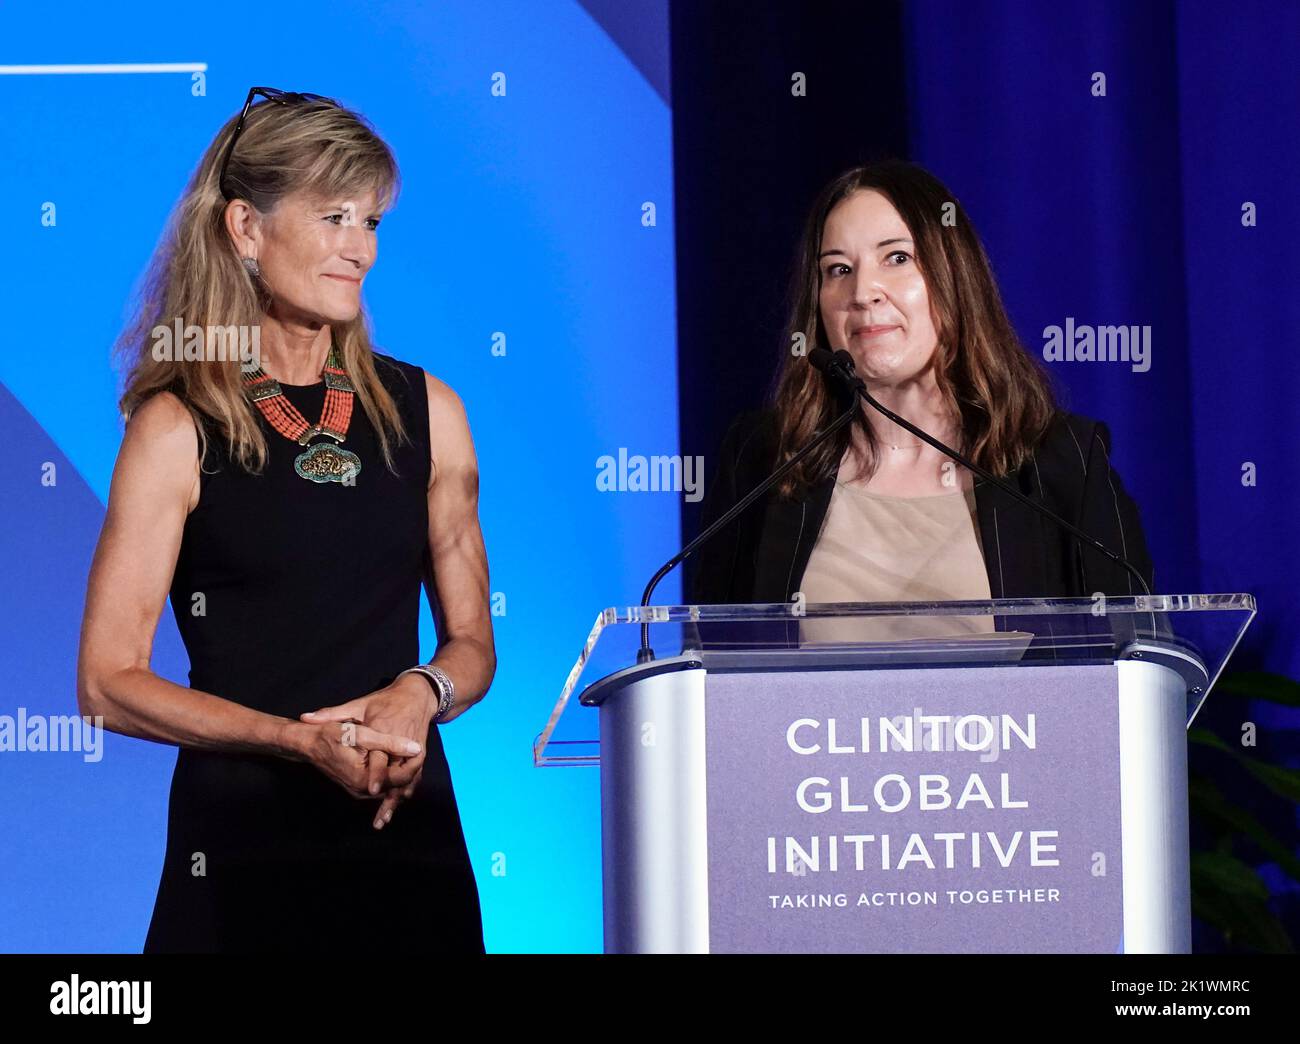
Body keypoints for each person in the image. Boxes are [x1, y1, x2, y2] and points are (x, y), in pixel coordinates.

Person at [76, 88, 494, 952]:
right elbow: (107, 681)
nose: (361, 249)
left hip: (405, 847)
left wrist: (422, 693)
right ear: (245, 230)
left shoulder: (432, 411)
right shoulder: (176, 426)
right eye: (334, 216)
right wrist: (295, 742)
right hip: (241, 856)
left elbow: (472, 646)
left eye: (372, 221)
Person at [690, 160, 1157, 642]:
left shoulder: (1062, 463)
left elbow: (1137, 670)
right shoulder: (763, 461)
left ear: (954, 277)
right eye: (838, 269)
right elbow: (709, 674)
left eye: (896, 258)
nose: (863, 291)